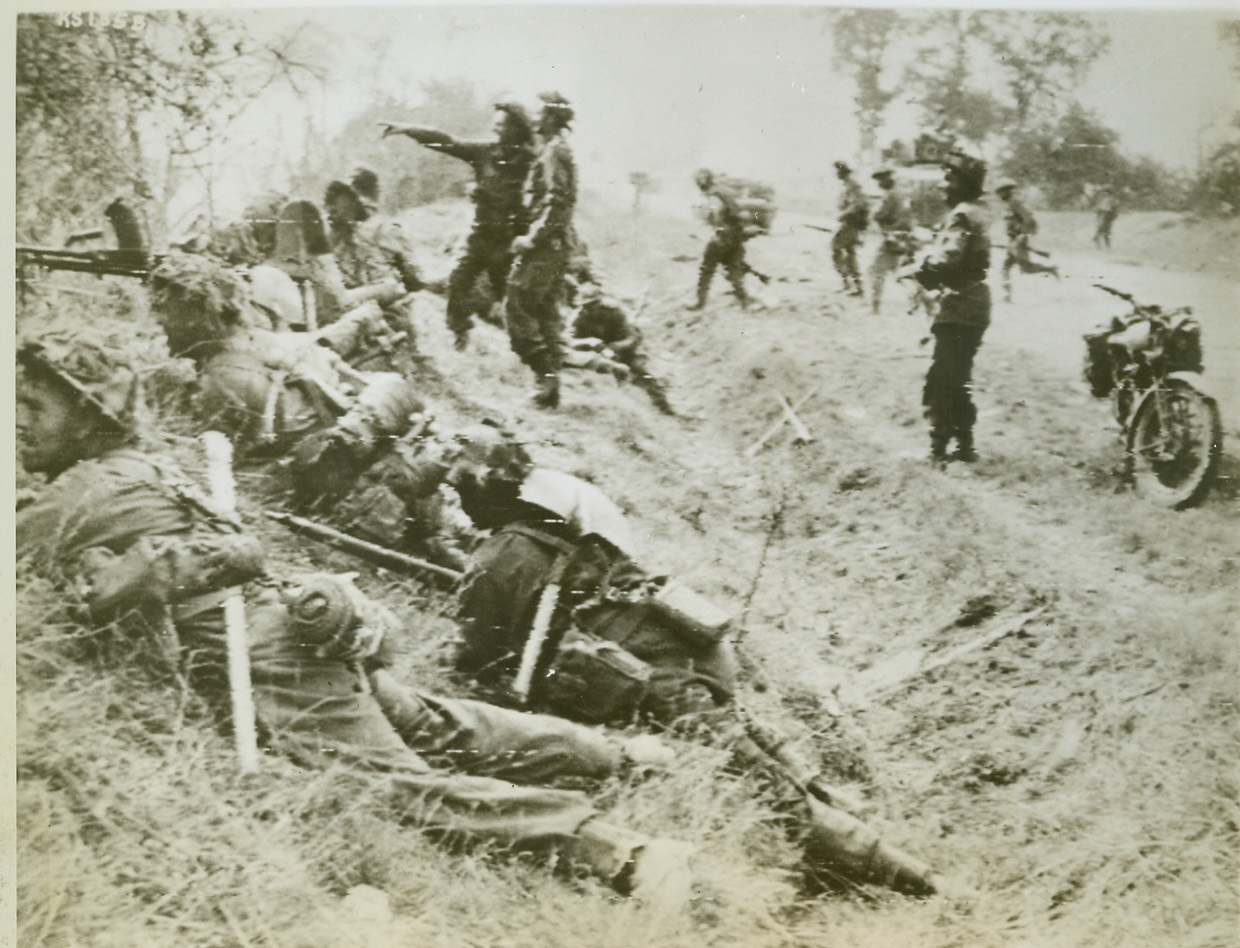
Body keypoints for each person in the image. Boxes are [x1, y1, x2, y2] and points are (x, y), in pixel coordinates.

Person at [15, 334, 695, 904]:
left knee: (394, 785)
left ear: (86, 417)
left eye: (32, 405)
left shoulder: (78, 495)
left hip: (265, 652)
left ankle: (617, 852)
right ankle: (617, 755)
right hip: (298, 621)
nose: (15, 421)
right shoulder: (137, 465)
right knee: (434, 722)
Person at [443, 423, 941, 896]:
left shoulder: (497, 558)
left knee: (752, 773)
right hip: (682, 640)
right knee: (745, 740)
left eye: (462, 490)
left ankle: (904, 875)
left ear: (483, 490)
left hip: (644, 671)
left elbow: (469, 661)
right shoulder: (563, 520)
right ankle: (834, 810)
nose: (460, 504)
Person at [148, 253, 469, 570]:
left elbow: (232, 474)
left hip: (354, 506)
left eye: (166, 311)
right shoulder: (278, 341)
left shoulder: (223, 380)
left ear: (197, 314)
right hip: (388, 479)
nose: (159, 321)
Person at [380, 103, 536, 351]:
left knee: (513, 300)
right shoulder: (485, 152)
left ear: (516, 129)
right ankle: (460, 330)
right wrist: (408, 129)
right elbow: (447, 141)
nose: (496, 127)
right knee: (458, 279)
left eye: (502, 124)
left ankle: (535, 348)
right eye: (495, 122)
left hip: (509, 243)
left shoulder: (531, 161)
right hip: (480, 236)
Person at [913, 152, 992, 463]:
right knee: (957, 377)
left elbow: (949, 258)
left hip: (960, 306)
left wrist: (921, 269)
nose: (943, 186)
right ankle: (964, 446)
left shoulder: (961, 215)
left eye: (949, 179)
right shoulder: (976, 212)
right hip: (973, 305)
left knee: (943, 378)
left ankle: (938, 450)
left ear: (963, 184)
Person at [506, 92, 577, 409]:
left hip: (546, 246)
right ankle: (550, 390)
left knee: (517, 300)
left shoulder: (554, 153)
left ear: (550, 117)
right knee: (546, 311)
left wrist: (531, 239)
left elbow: (557, 205)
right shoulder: (554, 150)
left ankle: (544, 378)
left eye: (539, 113)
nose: (534, 118)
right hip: (554, 245)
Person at [323, 169, 434, 346]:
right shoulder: (388, 227)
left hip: (339, 315)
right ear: (376, 193)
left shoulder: (331, 231)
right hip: (387, 316)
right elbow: (414, 279)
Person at [566, 280, 676, 415]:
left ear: (600, 302)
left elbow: (633, 337)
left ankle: (664, 406)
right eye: (587, 305)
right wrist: (590, 343)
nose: (591, 308)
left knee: (644, 374)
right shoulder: (578, 318)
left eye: (594, 304)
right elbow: (568, 340)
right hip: (595, 355)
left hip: (623, 353)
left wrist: (620, 345)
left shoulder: (615, 313)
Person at [686, 168, 762, 311]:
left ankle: (700, 303)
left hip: (722, 236)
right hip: (736, 236)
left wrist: (716, 228)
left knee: (706, 270)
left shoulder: (713, 196)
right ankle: (745, 301)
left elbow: (716, 214)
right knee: (733, 269)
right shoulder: (725, 191)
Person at [994, 179, 1059, 303]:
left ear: (1006, 192)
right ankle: (1007, 295)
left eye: (1001, 192)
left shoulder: (1016, 204)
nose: (999, 195)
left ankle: (1051, 269)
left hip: (1019, 239)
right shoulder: (1008, 204)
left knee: (1025, 268)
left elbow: (1029, 220)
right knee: (1006, 267)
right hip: (1013, 239)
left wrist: (1022, 236)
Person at [868, 168, 913, 315]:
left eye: (881, 180)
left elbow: (880, 214)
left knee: (877, 271)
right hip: (903, 238)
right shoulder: (899, 193)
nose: (879, 184)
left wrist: (888, 229)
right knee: (901, 274)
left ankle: (875, 308)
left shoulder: (892, 195)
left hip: (893, 238)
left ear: (888, 179)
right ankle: (918, 301)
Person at [832, 161, 868, 298]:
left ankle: (849, 283)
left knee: (836, 248)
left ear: (843, 172)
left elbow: (858, 205)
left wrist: (843, 214)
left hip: (851, 224)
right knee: (849, 253)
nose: (836, 174)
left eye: (838, 171)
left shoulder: (853, 185)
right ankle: (856, 286)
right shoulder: (848, 185)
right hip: (850, 223)